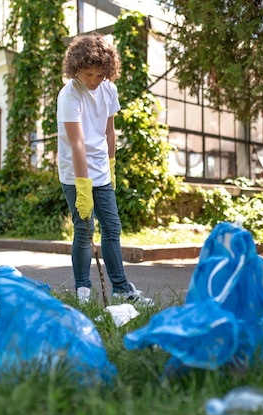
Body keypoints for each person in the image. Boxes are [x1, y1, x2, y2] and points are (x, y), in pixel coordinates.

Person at [57, 33, 151, 305]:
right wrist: (83, 187)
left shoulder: (108, 89)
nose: (93, 81)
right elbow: (76, 144)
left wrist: (110, 163)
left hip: (100, 167)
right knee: (84, 229)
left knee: (112, 227)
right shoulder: (69, 95)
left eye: (99, 75)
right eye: (88, 74)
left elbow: (109, 132)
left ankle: (122, 289)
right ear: (76, 69)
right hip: (76, 170)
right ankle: (83, 291)